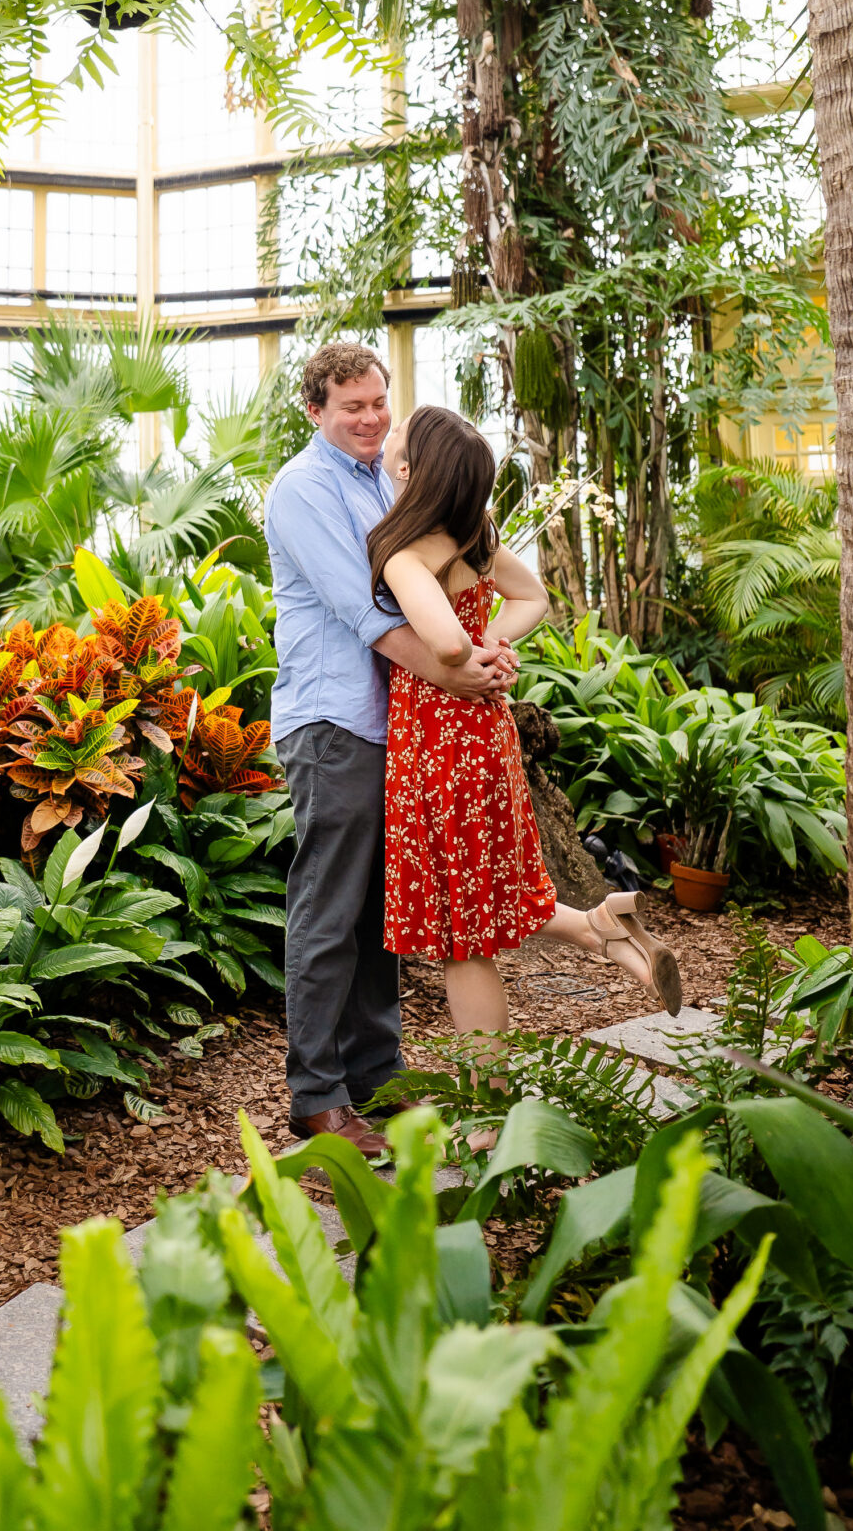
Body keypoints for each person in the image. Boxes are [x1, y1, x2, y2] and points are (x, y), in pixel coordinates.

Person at [264, 342, 515, 1158]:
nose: (370, 418)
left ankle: (377, 1077)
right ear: (314, 411)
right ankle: (317, 1096)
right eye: (351, 407)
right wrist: (465, 677)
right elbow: (364, 615)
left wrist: (480, 653)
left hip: (393, 727)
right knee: (329, 913)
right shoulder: (303, 490)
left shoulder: (385, 479)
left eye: (378, 403)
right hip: (333, 722)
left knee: (379, 914)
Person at [371, 403, 682, 1049]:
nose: (387, 428)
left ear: (408, 469)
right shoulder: (473, 537)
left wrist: (469, 646)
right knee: (491, 892)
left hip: (437, 749)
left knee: (463, 939)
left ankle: (486, 1117)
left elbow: (446, 648)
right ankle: (606, 928)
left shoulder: (404, 555)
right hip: (485, 738)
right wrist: (492, 637)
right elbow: (533, 598)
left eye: (398, 432)